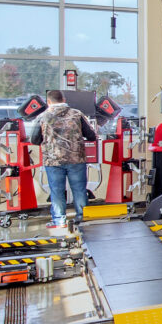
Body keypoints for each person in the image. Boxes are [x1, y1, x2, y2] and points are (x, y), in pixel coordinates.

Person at [30, 89, 96, 230]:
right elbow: (91, 135)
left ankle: (59, 221)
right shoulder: (77, 114)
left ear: (48, 101)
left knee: (57, 191)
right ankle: (82, 218)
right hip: (76, 159)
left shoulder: (43, 116)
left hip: (53, 161)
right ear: (64, 99)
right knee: (79, 190)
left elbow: (34, 139)